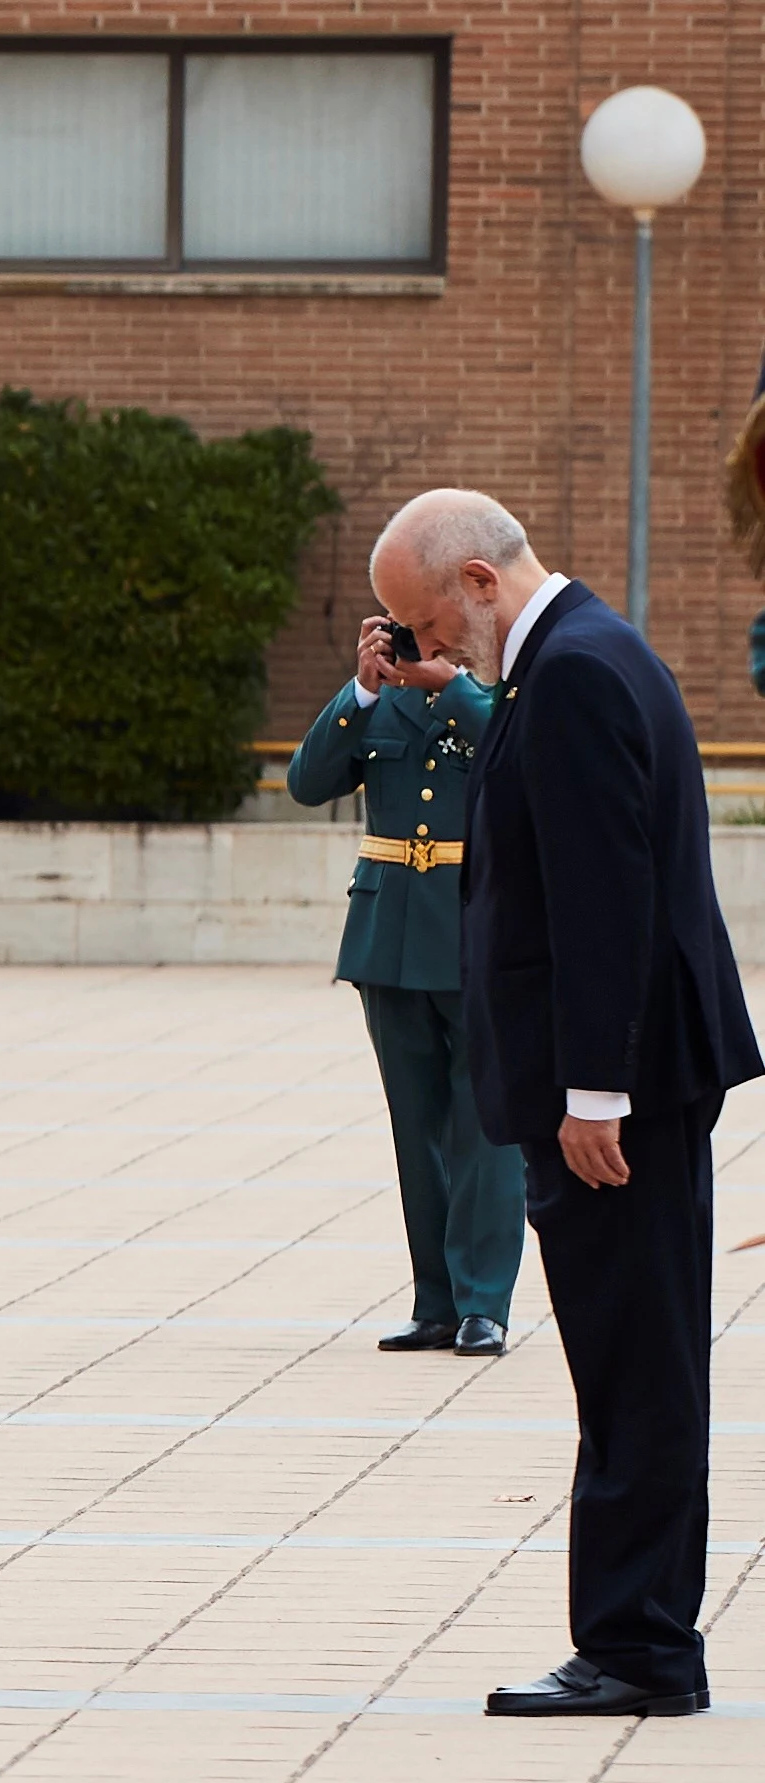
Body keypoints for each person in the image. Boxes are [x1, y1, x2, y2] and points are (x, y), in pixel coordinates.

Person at [370, 489, 762, 1718]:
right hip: (625, 1082)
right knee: (627, 1363)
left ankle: (638, 1648)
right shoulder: (580, 652)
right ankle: (633, 1636)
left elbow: (605, 898)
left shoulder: (578, 670)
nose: (430, 647)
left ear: (480, 581)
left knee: (632, 1368)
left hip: (617, 1096)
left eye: (428, 621)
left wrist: (594, 1088)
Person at [294, 610, 516, 1357]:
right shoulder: (374, 700)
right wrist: (359, 691)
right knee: (414, 1127)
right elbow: (306, 782)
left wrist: (450, 686)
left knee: (485, 1126)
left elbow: (518, 760)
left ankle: (484, 1302)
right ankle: (437, 1302)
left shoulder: (496, 690)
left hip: (472, 930)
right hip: (387, 938)